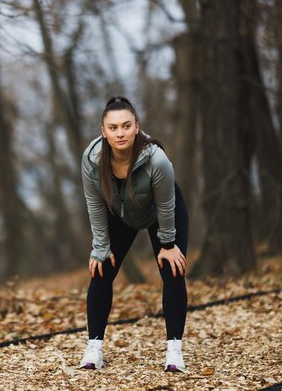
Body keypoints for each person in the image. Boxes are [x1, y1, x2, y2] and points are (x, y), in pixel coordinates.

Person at [78, 96, 189, 372]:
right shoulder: (92, 159)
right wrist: (100, 247)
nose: (120, 133)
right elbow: (94, 204)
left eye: (126, 126)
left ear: (137, 126)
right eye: (113, 127)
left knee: (172, 270)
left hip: (161, 213)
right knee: (101, 270)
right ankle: (94, 349)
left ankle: (174, 351)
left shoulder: (156, 160)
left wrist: (168, 243)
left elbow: (165, 205)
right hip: (121, 214)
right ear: (103, 130)